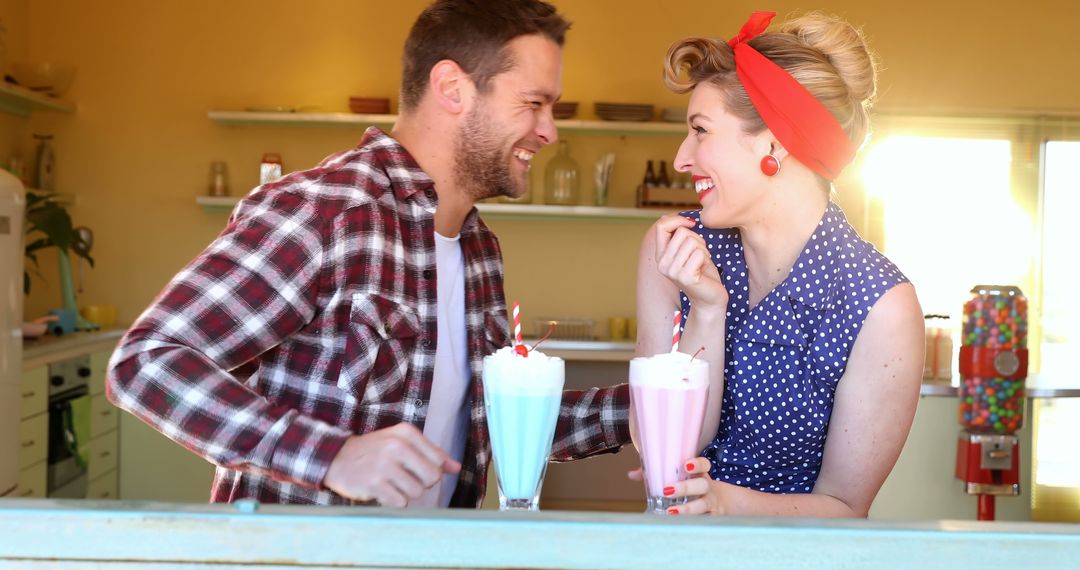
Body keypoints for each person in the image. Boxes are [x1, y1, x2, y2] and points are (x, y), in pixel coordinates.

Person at [106, 0, 629, 509]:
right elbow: (145, 363)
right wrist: (331, 457)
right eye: (533, 103)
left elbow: (488, 418)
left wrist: (650, 407)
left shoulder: (478, 248)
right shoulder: (326, 212)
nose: (549, 131)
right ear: (452, 88)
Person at [633, 11, 923, 516]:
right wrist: (707, 311)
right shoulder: (675, 248)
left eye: (700, 131)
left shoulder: (881, 306)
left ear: (773, 142)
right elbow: (660, 446)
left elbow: (845, 507)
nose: (682, 158)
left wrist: (723, 503)